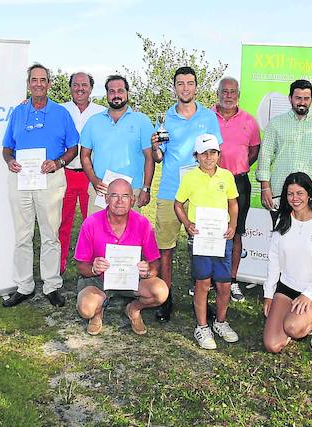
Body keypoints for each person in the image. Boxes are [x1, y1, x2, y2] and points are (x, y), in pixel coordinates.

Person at [1, 63, 79, 308]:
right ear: (28, 84)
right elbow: (6, 147)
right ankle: (24, 286)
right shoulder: (18, 112)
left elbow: (73, 148)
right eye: (33, 80)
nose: (37, 84)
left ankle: (51, 285)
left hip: (51, 178)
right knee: (22, 235)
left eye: (42, 80)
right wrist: (10, 160)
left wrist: (58, 162)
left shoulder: (60, 113)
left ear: (49, 84)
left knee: (50, 234)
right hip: (21, 179)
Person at [149, 66, 223, 323]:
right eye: (180, 84)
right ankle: (165, 299)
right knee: (165, 249)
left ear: (196, 87)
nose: (185, 88)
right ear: (174, 88)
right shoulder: (165, 119)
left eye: (189, 83)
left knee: (202, 249)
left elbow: (215, 155)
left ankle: (200, 301)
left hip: (202, 194)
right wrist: (156, 148)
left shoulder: (209, 118)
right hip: (171, 191)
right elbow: (159, 158)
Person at [73, 179, 169, 336]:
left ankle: (133, 309)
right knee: (86, 308)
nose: (119, 201)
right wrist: (93, 268)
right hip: (99, 280)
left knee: (160, 292)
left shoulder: (143, 224)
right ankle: (97, 313)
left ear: (132, 200)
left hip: (131, 278)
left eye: (125, 196)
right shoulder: (91, 223)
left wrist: (147, 272)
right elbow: (80, 265)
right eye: (114, 196)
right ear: (106, 198)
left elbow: (154, 262)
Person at [263, 172, 312, 353]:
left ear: (309, 194)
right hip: (287, 287)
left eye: (300, 193)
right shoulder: (283, 219)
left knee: (293, 328)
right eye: (290, 194)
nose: (295, 198)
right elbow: (274, 260)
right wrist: (268, 295)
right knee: (272, 345)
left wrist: (308, 294)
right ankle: (295, 315)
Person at [174, 134, 239, 349]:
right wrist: (187, 224)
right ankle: (202, 326)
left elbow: (233, 204)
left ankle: (220, 322)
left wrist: (233, 226)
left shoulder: (227, 176)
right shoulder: (190, 177)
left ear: (219, 155)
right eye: (203, 153)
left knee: (224, 283)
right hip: (201, 238)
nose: (208, 158)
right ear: (196, 156)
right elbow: (178, 204)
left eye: (213, 153)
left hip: (222, 238)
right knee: (202, 283)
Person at [256, 79, 312, 226]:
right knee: (280, 238)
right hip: (279, 194)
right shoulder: (275, 124)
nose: (302, 102)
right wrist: (265, 187)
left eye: (306, 98)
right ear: (290, 98)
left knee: (305, 244)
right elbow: (265, 156)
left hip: (308, 197)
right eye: (298, 98)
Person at [212, 76, 261, 300]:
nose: (228, 96)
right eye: (224, 91)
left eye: (233, 92)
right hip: (211, 182)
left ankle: (231, 280)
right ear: (218, 93)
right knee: (211, 230)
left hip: (239, 182)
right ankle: (210, 279)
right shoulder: (206, 117)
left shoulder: (249, 121)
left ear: (238, 95)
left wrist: (239, 168)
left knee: (236, 231)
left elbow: (254, 151)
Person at [80, 75, 154, 215]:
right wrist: (94, 180)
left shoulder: (142, 121)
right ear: (107, 94)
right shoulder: (93, 122)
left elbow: (149, 157)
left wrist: (146, 189)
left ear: (127, 93)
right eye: (112, 91)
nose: (116, 95)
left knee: (130, 236)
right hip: (101, 191)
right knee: (97, 235)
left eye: (120, 91)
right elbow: (84, 155)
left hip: (132, 191)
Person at [59, 72, 106, 273]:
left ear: (91, 88)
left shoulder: (102, 112)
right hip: (65, 173)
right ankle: (58, 268)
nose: (80, 88)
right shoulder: (60, 110)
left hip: (91, 176)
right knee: (62, 223)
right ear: (70, 87)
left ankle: (96, 269)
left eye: (84, 85)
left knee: (95, 224)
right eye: (76, 84)